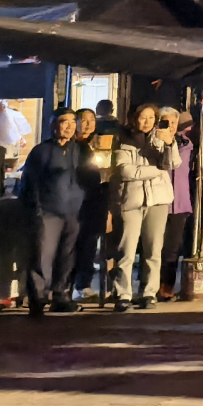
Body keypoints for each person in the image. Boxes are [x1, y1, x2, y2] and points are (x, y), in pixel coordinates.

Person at [18, 109, 99, 318]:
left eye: (73, 122)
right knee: (43, 256)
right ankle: (38, 299)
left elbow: (93, 180)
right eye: (64, 122)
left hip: (75, 212)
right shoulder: (41, 151)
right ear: (53, 125)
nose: (70, 126)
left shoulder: (82, 150)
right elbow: (30, 183)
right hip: (47, 212)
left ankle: (61, 296)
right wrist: (36, 210)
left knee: (67, 256)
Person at [108, 102, 178, 309]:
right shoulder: (122, 139)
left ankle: (149, 293)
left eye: (151, 118)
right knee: (126, 250)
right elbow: (125, 171)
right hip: (130, 200)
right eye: (142, 117)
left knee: (154, 250)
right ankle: (122, 294)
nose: (147, 122)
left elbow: (172, 164)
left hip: (158, 200)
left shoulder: (161, 139)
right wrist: (157, 170)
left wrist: (169, 145)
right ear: (133, 119)